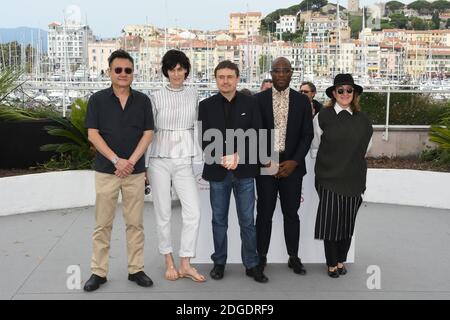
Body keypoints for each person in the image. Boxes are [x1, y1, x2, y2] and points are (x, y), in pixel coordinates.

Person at [84, 49, 154, 292]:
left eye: (128, 70)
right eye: (118, 70)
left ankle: (136, 269)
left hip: (134, 173)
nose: (123, 74)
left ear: (133, 73)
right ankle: (98, 272)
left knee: (135, 224)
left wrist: (131, 162)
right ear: (109, 72)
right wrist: (116, 161)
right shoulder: (97, 100)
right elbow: (92, 134)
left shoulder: (143, 101)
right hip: (106, 171)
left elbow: (148, 134)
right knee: (102, 224)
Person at [198, 60, 268, 283]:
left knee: (247, 221)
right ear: (216, 79)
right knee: (219, 220)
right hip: (217, 172)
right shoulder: (206, 105)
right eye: (221, 77)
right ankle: (219, 263)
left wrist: (238, 155)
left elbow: (258, 134)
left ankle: (252, 264)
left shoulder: (252, 103)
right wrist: (223, 158)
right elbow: (204, 138)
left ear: (238, 79)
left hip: (245, 172)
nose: (225, 81)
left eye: (230, 77)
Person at [145, 49, 205, 282]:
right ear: (166, 71)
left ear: (186, 70)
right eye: (172, 69)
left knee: (193, 212)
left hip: (184, 159)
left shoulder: (194, 94)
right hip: (158, 159)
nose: (176, 73)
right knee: (163, 213)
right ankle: (168, 260)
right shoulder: (155, 95)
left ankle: (185, 262)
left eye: (180, 69)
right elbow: (149, 131)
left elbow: (198, 126)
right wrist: (144, 166)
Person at [254, 57, 313, 275]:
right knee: (264, 213)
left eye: (285, 71)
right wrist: (267, 161)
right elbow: (254, 134)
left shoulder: (302, 101)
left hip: (292, 167)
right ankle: (261, 257)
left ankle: (293, 257)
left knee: (291, 213)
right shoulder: (258, 100)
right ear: (271, 73)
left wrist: (294, 161)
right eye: (276, 71)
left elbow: (307, 135)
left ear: (291, 73)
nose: (280, 74)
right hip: (266, 165)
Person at [311, 73, 373, 278]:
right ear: (334, 93)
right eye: (340, 90)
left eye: (349, 90)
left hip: (354, 178)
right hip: (328, 178)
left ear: (354, 93)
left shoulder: (363, 119)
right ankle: (331, 263)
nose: (345, 94)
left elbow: (366, 148)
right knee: (331, 224)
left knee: (347, 224)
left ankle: (340, 260)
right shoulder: (322, 116)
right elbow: (316, 145)